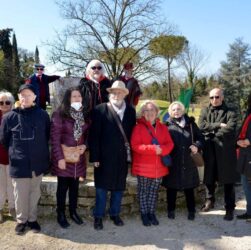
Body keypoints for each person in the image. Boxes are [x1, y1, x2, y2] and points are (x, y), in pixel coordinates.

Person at [0, 84, 50, 235]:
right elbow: (4, 139)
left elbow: (46, 135)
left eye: (29, 94)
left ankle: (32, 219)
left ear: (34, 97)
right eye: (22, 95)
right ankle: (21, 221)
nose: (25, 97)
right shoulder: (9, 117)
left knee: (34, 193)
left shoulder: (42, 115)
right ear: (18, 97)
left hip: (37, 162)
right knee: (20, 194)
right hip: (19, 163)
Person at [88, 80, 136, 230]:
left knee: (119, 188)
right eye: (114, 92)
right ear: (110, 94)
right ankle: (98, 216)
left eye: (120, 92)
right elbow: (94, 135)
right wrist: (95, 157)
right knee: (101, 188)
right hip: (103, 157)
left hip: (122, 156)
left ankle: (115, 214)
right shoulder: (100, 109)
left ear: (124, 94)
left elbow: (131, 134)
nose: (117, 94)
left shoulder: (131, 111)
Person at [50, 86, 89, 228]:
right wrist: (59, 158)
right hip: (64, 158)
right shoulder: (59, 114)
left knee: (75, 188)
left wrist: (85, 146)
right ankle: (60, 214)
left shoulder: (83, 115)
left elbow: (86, 136)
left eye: (79, 96)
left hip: (77, 158)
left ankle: (73, 212)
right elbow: (54, 139)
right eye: (74, 96)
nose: (77, 98)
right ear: (68, 98)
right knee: (62, 188)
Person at [131, 101, 174, 226]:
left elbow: (170, 143)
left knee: (153, 192)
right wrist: (153, 149)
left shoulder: (163, 127)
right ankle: (144, 214)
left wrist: (162, 150)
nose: (149, 113)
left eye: (152, 110)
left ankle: (151, 213)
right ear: (143, 113)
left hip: (159, 167)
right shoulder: (138, 127)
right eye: (146, 111)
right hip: (143, 166)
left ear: (157, 112)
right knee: (143, 191)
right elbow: (135, 146)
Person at [198, 87, 238, 221]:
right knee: (209, 177)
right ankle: (210, 200)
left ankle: (230, 207)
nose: (214, 100)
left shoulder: (230, 111)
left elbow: (230, 128)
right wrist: (218, 125)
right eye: (212, 97)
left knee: (227, 179)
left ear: (222, 97)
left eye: (217, 97)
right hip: (209, 149)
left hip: (225, 150)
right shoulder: (205, 110)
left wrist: (213, 134)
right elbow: (201, 126)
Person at [162, 101, 203, 220]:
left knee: (189, 188)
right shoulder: (166, 125)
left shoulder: (191, 124)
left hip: (189, 161)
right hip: (173, 162)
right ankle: (171, 210)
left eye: (178, 109)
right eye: (173, 110)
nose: (176, 111)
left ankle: (191, 210)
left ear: (183, 110)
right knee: (171, 188)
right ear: (170, 112)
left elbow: (200, 138)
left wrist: (197, 145)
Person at [0, 90, 15, 223]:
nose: (4, 104)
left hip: (12, 159)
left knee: (12, 185)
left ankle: (12, 208)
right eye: (1, 102)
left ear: (11, 104)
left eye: (7, 102)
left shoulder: (15, 117)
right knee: (0, 185)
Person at [236, 93, 251, 220]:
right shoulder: (248, 113)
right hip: (245, 154)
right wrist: (238, 141)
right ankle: (250, 211)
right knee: (245, 183)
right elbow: (242, 131)